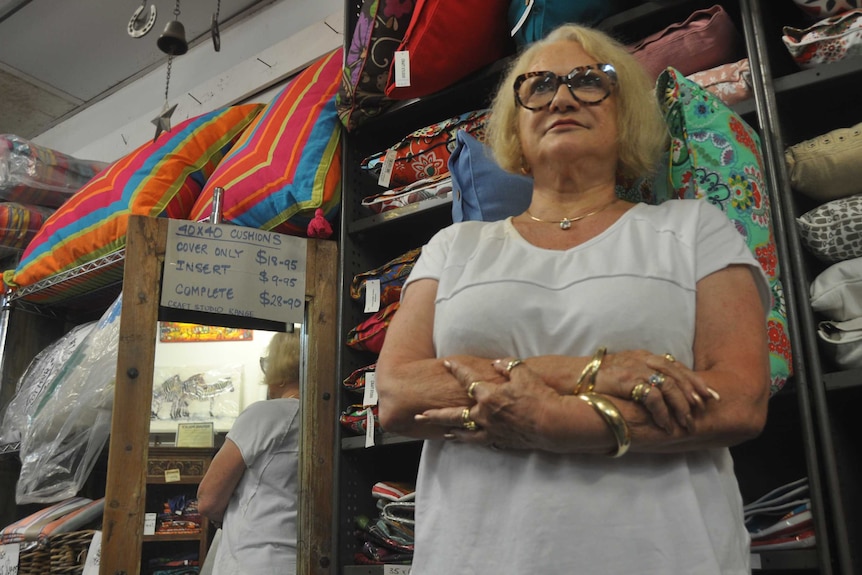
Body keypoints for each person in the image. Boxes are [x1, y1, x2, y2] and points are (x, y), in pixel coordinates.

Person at [375, 23, 771, 575]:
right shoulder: (454, 246)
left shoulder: (694, 230)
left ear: (625, 110)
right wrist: (594, 374)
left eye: (589, 82)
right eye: (538, 86)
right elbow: (396, 396)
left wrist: (557, 424)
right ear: (516, 123)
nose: (561, 96)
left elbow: (738, 402)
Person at [197, 330, 302, 574]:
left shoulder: (263, 415)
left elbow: (207, 500)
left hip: (253, 559)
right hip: (301, 560)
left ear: (278, 368)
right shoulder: (325, 420)